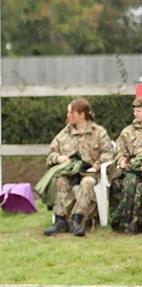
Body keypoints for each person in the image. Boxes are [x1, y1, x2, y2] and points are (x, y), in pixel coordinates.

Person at [41, 98, 114, 237]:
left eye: (71, 112)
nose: (68, 115)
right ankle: (60, 220)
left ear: (82, 115)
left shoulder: (98, 132)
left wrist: (97, 166)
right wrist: (58, 158)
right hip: (70, 171)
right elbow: (51, 153)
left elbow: (108, 152)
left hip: (89, 172)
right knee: (60, 181)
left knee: (87, 183)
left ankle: (77, 220)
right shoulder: (64, 133)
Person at [110, 97, 142, 234]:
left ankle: (136, 223)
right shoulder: (127, 132)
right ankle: (125, 221)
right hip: (132, 169)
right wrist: (121, 160)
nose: (135, 113)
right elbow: (119, 150)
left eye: (139, 110)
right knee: (129, 183)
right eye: (134, 111)